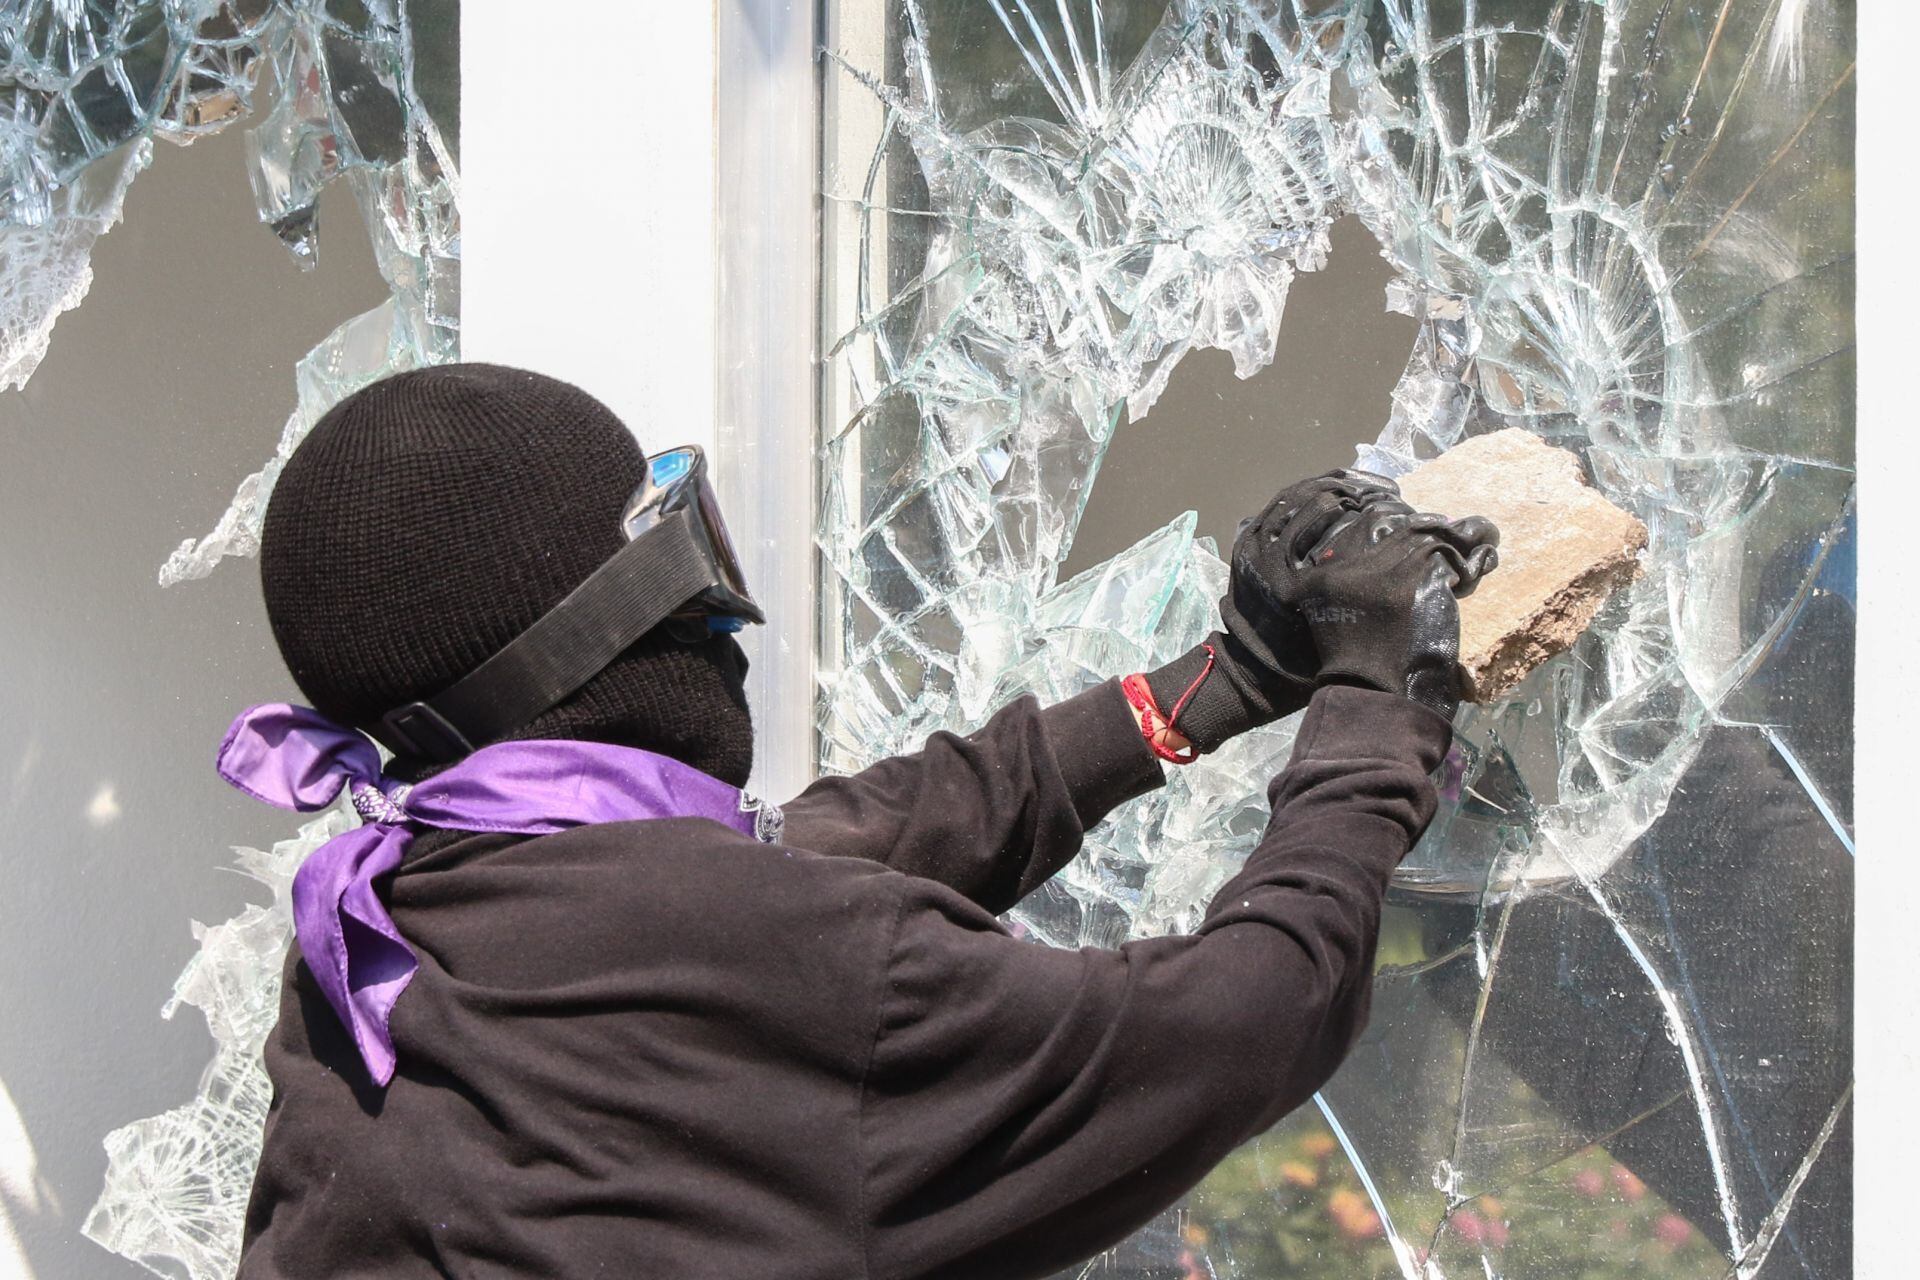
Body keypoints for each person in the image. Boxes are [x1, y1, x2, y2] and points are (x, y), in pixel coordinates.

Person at [229, 362, 1498, 1279]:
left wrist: (1210, 687)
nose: (721, 614)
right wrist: (1386, 705)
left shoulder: (374, 927)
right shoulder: (784, 961)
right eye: (681, 560)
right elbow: (1245, 1018)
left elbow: (805, 845)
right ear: (605, 630)